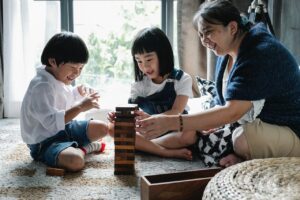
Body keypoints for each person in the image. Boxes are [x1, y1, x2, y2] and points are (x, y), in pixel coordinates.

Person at [135, 0, 300, 167]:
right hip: (257, 120)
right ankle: (149, 145)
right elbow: (224, 102)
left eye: (208, 32)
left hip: (291, 128)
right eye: (200, 34)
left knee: (241, 139)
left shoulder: (260, 53)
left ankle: (243, 155)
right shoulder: (227, 51)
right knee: (196, 128)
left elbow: (231, 112)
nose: (204, 40)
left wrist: (171, 122)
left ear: (233, 28)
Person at [20, 32, 111, 172]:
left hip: (66, 129)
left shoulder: (57, 77)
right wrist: (81, 106)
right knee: (76, 162)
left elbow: (63, 102)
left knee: (103, 128)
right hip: (45, 142)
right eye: (73, 67)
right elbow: (51, 123)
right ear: (52, 61)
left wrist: (77, 92)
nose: (77, 73)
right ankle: (85, 148)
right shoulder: (41, 86)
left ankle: (73, 146)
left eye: (81, 68)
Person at [108, 27, 194, 160]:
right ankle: (163, 151)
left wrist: (153, 118)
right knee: (112, 128)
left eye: (148, 60)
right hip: (148, 132)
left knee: (190, 134)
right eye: (139, 61)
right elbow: (133, 115)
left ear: (163, 54)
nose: (144, 67)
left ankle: (146, 146)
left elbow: (177, 111)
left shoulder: (182, 79)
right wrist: (121, 117)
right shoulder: (139, 84)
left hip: (173, 130)